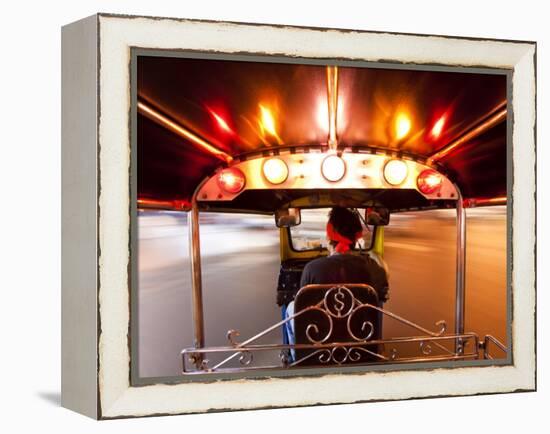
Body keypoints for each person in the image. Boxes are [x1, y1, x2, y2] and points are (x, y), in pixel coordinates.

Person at [283, 207, 389, 359]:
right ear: (356, 237)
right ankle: (374, 349)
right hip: (359, 344)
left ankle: (298, 357)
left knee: (292, 306)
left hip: (319, 344)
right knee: (376, 302)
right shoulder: (371, 267)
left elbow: (304, 308)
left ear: (328, 237)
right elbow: (383, 287)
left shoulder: (312, 268)